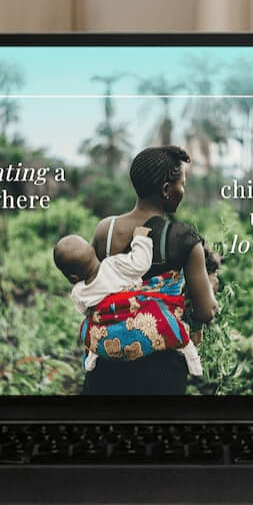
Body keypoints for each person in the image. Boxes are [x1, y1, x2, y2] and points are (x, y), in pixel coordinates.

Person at [82, 144, 218, 397]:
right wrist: (210, 283)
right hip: (160, 373)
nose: (183, 190)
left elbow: (93, 287)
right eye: (182, 184)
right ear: (167, 190)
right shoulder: (183, 238)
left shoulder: (105, 230)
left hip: (107, 363)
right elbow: (206, 311)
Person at [53, 224, 207, 379]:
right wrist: (140, 238)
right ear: (94, 251)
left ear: (72, 278)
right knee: (169, 322)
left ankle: (93, 354)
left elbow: (85, 311)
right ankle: (191, 357)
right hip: (135, 317)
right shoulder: (113, 265)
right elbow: (140, 263)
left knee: (88, 326)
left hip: (108, 331)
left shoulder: (79, 292)